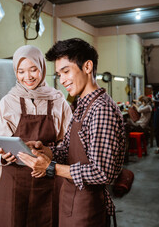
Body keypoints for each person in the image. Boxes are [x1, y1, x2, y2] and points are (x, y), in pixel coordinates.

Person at [18, 38, 126, 227]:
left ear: (87, 67)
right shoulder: (81, 106)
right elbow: (67, 149)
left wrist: (50, 167)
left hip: (88, 208)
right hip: (71, 199)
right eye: (59, 74)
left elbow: (102, 172)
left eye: (66, 71)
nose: (63, 81)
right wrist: (45, 151)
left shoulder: (100, 109)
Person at [0, 45, 72, 227]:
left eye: (33, 69)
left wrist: (49, 153)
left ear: (42, 68)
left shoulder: (58, 100)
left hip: (50, 178)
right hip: (15, 182)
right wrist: (2, 155)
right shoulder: (8, 102)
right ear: (15, 72)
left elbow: (70, 143)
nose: (28, 77)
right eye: (21, 71)